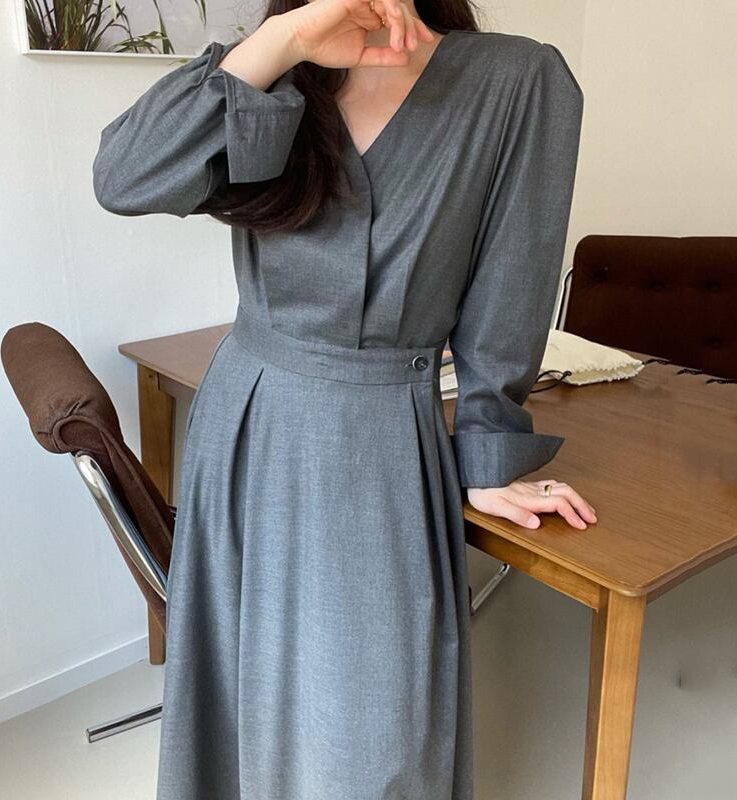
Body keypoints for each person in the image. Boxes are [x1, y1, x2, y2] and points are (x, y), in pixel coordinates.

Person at [92, 0, 596, 797]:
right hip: (247, 424)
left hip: (379, 445)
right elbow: (122, 177)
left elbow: (512, 288)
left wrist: (488, 454)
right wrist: (286, 38)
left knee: (376, 737)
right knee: (238, 700)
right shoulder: (281, 69)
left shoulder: (516, 80)